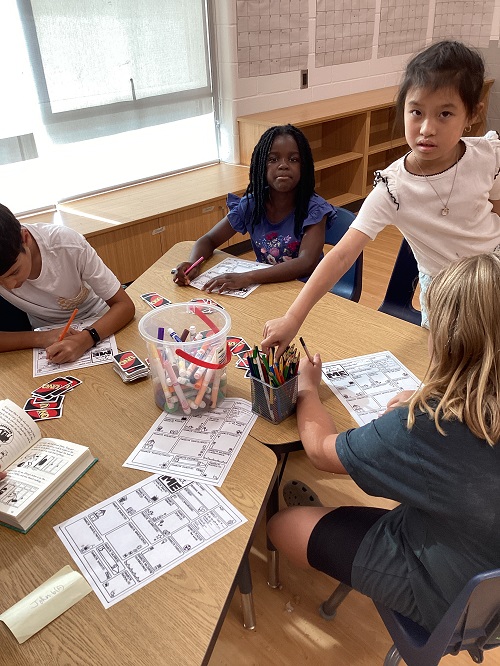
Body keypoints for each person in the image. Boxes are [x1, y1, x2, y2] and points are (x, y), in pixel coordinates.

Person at [268, 252, 500, 634]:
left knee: (282, 526)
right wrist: (437, 393)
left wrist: (308, 389)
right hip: (486, 567)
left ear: (445, 342)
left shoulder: (428, 426)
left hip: (456, 602)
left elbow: (320, 450)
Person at [262, 40, 500, 355]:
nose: (426, 128)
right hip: (443, 295)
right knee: (444, 368)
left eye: (445, 114)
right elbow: (341, 255)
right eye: (416, 112)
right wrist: (293, 317)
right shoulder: (392, 188)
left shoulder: (488, 154)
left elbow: (496, 211)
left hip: (492, 279)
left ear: (472, 113)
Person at [172, 124, 336, 292]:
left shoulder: (314, 209)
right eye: (273, 159)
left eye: (293, 159)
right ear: (261, 166)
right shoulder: (253, 204)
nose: (283, 165)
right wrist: (193, 264)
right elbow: (209, 240)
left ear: (305, 166)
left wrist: (248, 277)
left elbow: (306, 263)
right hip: (266, 288)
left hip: (307, 291)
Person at [0, 203, 135, 363]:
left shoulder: (67, 245)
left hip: (100, 319)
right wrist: (40, 338)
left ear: (25, 238)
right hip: (46, 336)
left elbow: (124, 305)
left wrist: (86, 339)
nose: (9, 286)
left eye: (14, 272)